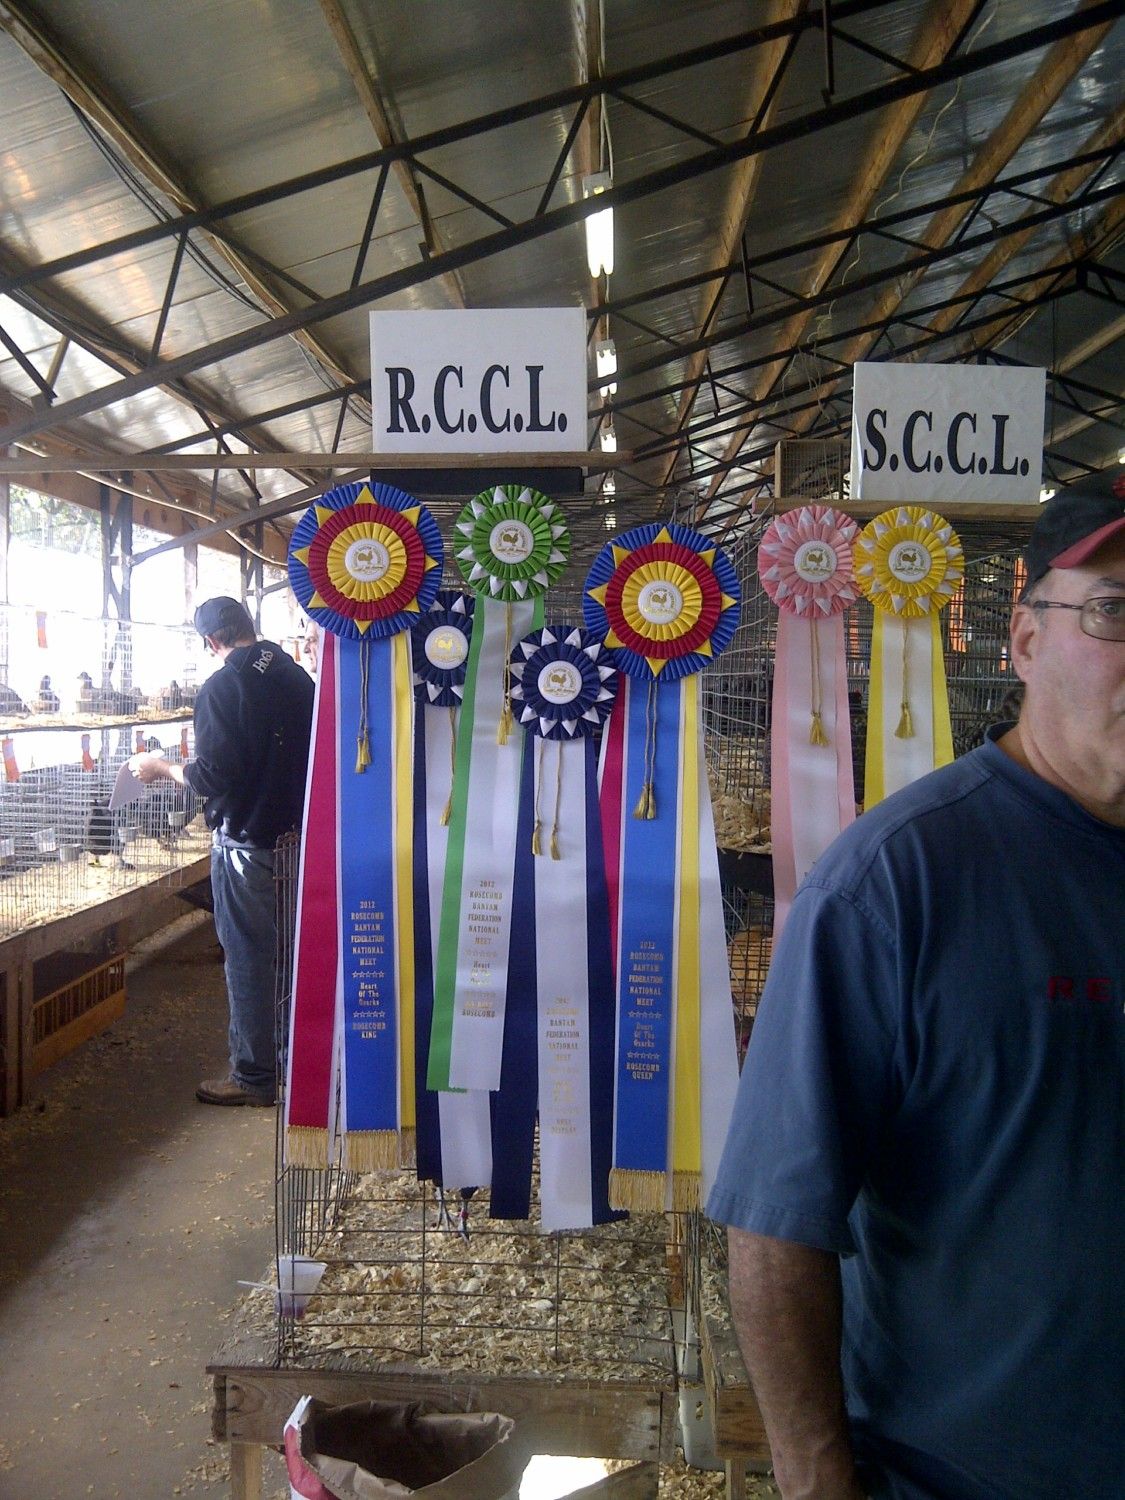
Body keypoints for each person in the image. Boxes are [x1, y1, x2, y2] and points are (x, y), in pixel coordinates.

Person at [706, 490, 1125, 1500]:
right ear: (1024, 640)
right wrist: (817, 1480)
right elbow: (774, 1223)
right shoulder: (893, 885)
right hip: (965, 1473)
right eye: (1115, 611)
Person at [131, 597, 314, 1107]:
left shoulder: (222, 687)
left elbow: (212, 775)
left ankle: (254, 1075)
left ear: (212, 641)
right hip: (297, 841)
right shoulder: (296, 678)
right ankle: (292, 1063)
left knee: (249, 957)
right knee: (290, 955)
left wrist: (160, 768)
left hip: (247, 844)